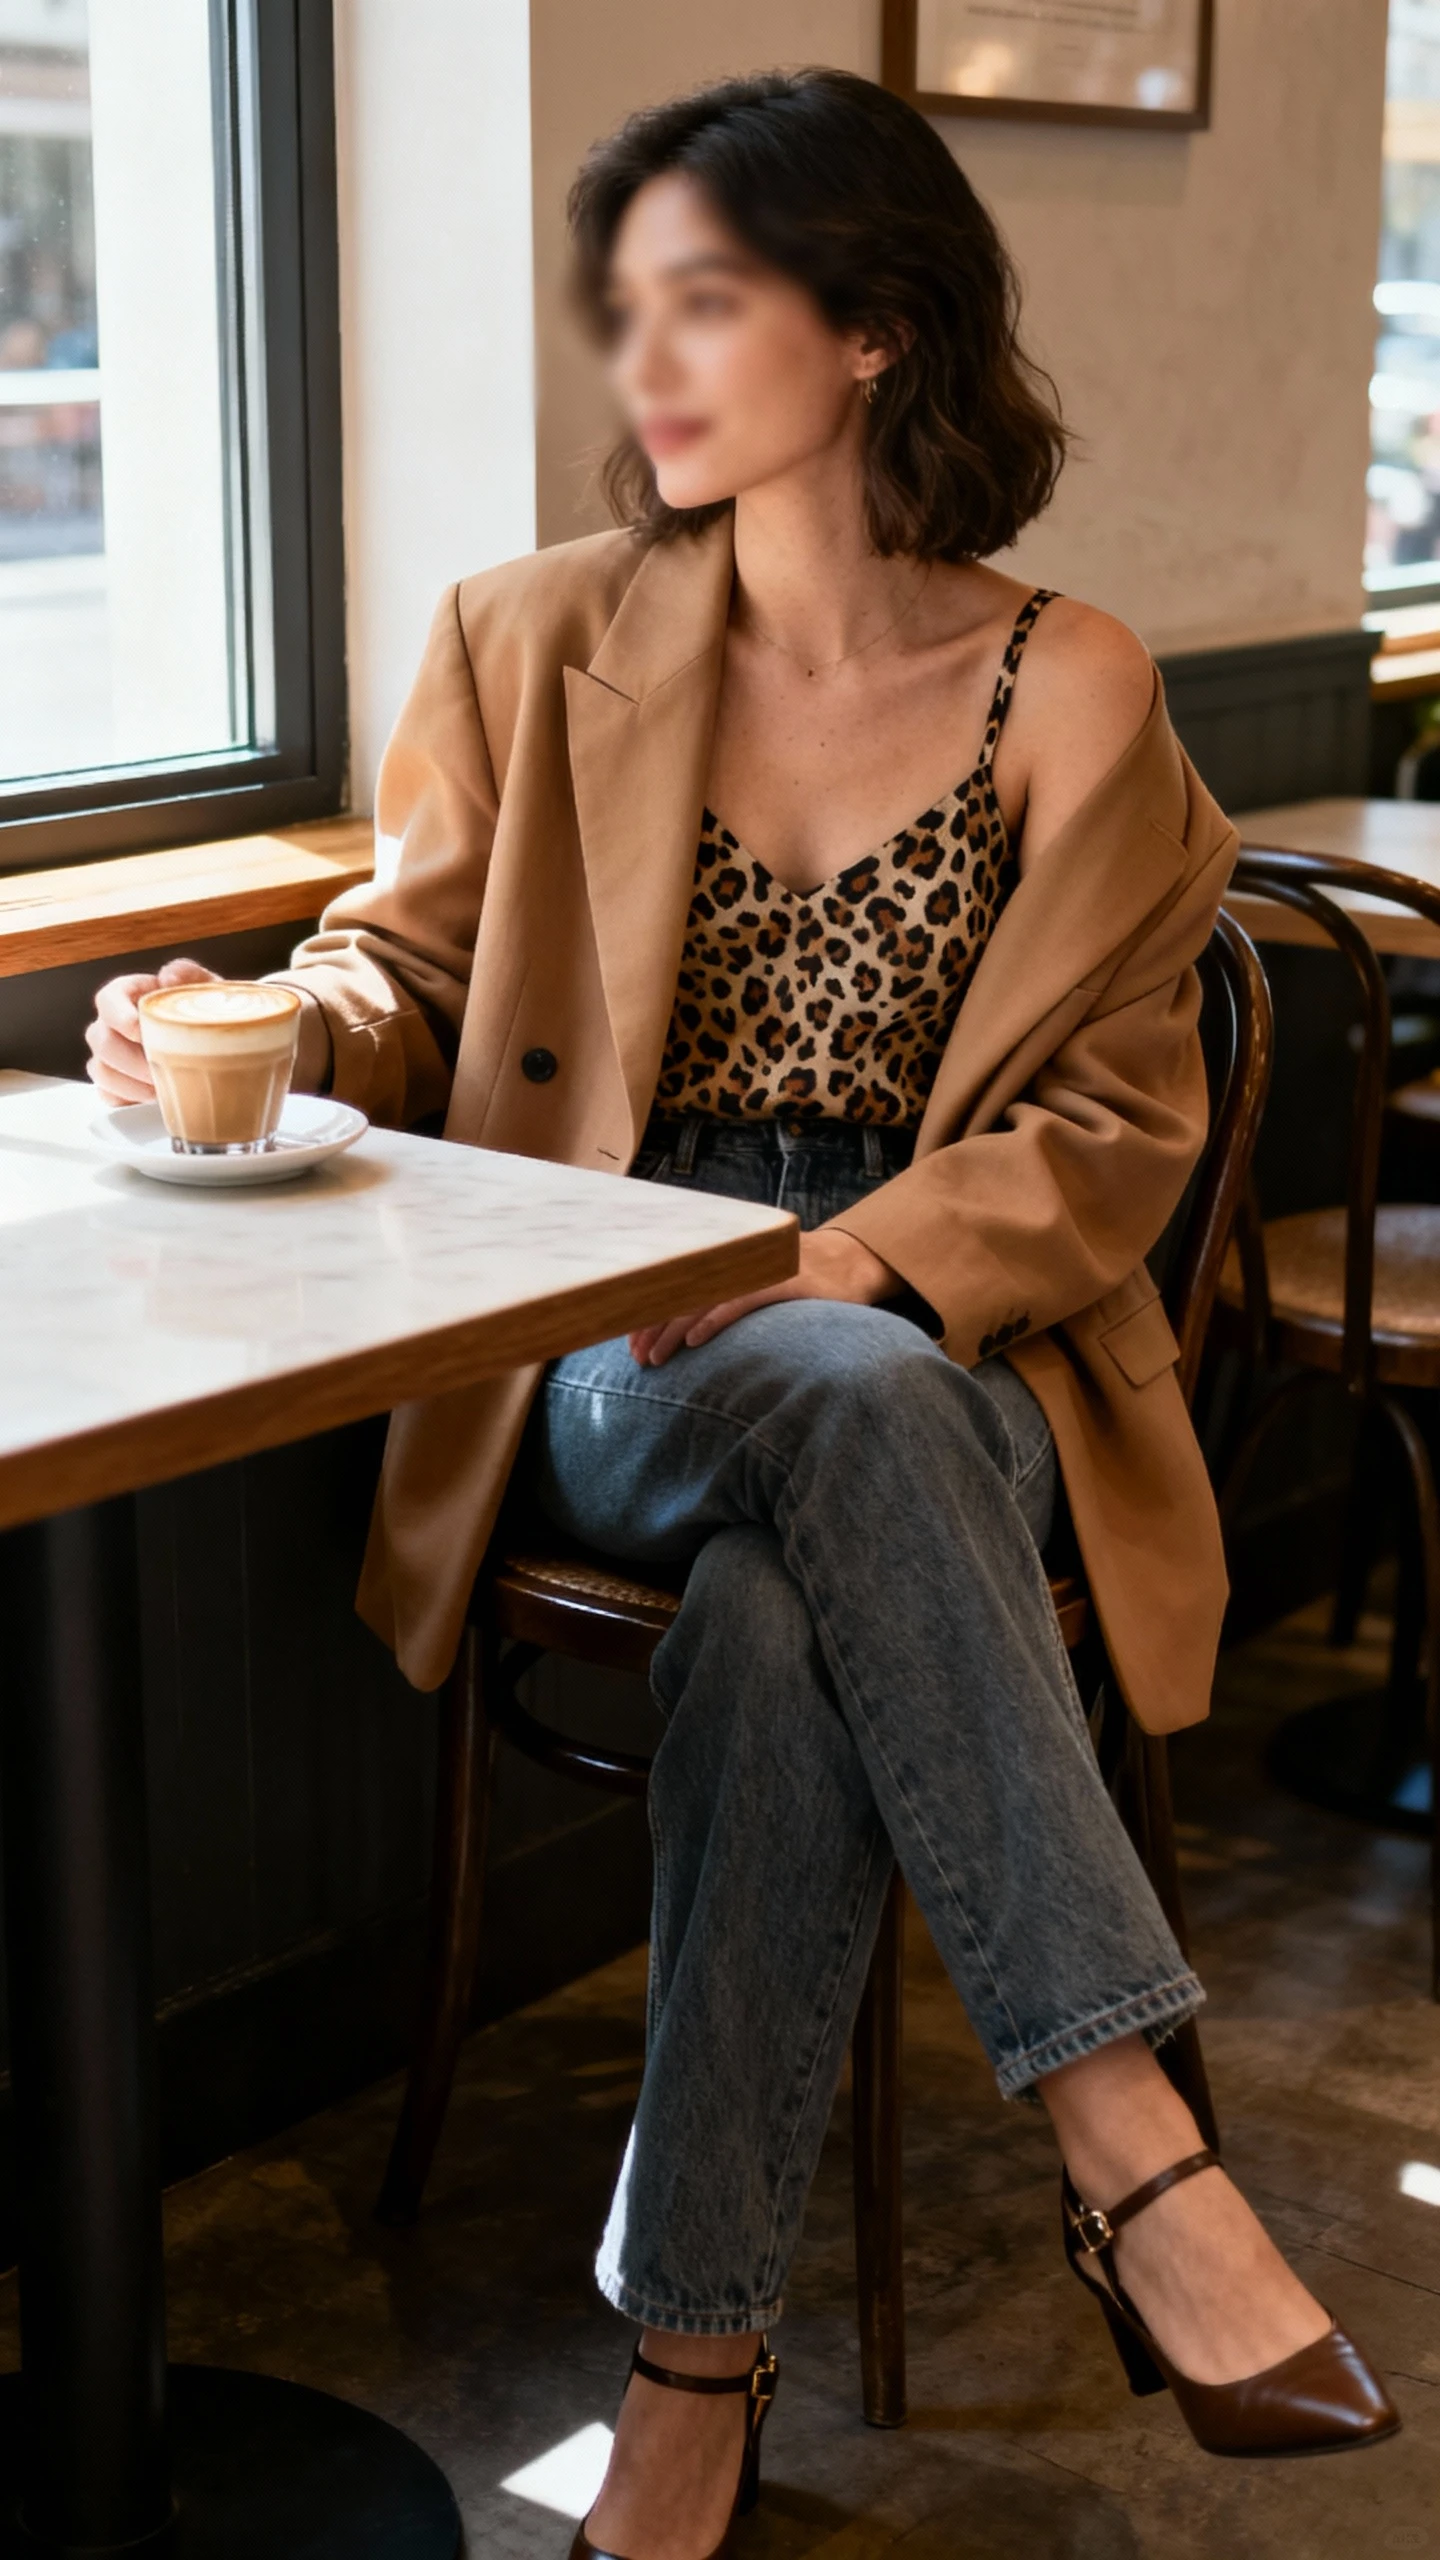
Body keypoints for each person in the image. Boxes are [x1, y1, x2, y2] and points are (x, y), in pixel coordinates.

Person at [88, 69, 1397, 2560]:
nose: (648, 360)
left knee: (805, 1586)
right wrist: (236, 1027)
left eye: (714, 299)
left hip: (944, 1334)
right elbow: (402, 966)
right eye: (633, 307)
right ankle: (1137, 2140)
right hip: (606, 1316)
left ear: (881, 331)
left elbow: (1119, 1127)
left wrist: (855, 1254)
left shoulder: (1077, 685)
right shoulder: (529, 634)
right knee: (824, 1420)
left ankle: (689, 2365)